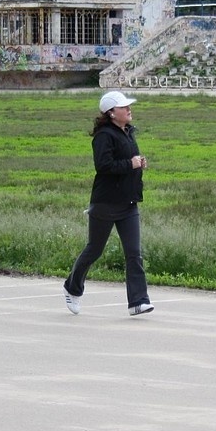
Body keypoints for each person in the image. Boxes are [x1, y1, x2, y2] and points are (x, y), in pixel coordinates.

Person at [63, 91, 154, 317]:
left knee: (134, 253)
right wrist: (129, 164)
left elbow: (126, 162)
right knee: (94, 249)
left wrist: (138, 163)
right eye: (124, 106)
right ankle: (72, 287)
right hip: (106, 203)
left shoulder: (128, 132)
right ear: (112, 113)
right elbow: (103, 166)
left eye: (128, 105)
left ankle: (138, 302)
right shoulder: (104, 135)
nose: (129, 109)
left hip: (129, 203)